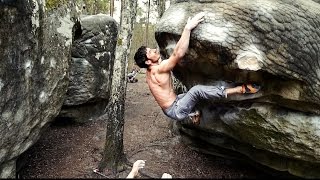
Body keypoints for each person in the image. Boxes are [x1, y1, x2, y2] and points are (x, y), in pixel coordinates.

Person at [133, 12, 260, 125]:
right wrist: (187, 28)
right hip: (175, 109)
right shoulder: (158, 70)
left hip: (173, 103)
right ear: (148, 61)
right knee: (196, 91)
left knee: (189, 94)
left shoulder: (151, 71)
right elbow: (178, 54)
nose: (155, 50)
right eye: (151, 52)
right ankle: (239, 89)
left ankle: (193, 113)